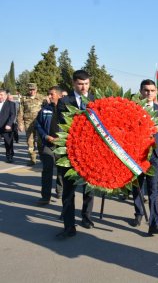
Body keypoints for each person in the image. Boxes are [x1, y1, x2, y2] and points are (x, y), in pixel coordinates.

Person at [56, 70, 96, 239]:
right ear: (73, 84)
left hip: (91, 153)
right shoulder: (65, 102)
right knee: (69, 191)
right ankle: (69, 225)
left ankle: (86, 217)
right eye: (80, 84)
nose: (84, 87)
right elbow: (60, 126)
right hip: (70, 153)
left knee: (89, 188)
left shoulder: (95, 100)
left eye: (86, 84)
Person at [129, 79, 158, 236]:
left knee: (154, 190)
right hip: (137, 156)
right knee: (137, 187)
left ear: (156, 92)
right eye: (146, 90)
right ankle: (138, 213)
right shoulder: (134, 109)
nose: (149, 93)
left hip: (155, 156)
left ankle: (154, 223)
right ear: (141, 91)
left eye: (152, 91)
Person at [35, 86, 64, 204]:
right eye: (49, 94)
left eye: (52, 94)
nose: (50, 96)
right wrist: (45, 136)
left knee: (62, 171)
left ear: (59, 95)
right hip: (48, 144)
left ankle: (60, 191)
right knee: (47, 170)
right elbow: (38, 125)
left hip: (62, 146)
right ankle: (45, 197)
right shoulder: (45, 110)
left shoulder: (67, 110)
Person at [17, 83, 46, 165]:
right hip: (28, 123)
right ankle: (32, 159)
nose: (32, 91)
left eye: (33, 89)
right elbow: (20, 112)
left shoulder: (42, 98)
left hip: (40, 123)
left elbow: (47, 109)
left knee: (41, 141)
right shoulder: (24, 99)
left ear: (36, 89)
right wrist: (20, 124)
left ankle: (43, 158)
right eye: (30, 90)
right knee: (30, 141)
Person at [0, 89, 16, 163]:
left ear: (6, 96)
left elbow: (12, 115)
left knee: (8, 142)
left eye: (1, 95)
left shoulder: (11, 104)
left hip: (6, 126)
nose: (0, 96)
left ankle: (9, 156)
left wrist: (9, 124)